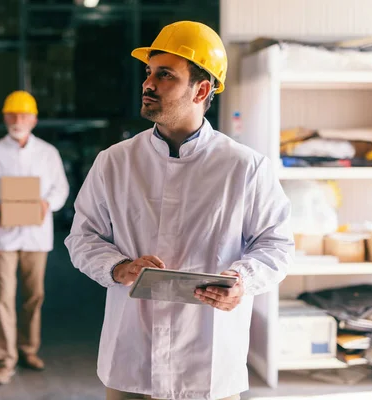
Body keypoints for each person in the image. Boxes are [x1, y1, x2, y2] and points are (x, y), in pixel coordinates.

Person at [65, 21, 294, 400]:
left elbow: (276, 244)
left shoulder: (244, 167)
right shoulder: (115, 162)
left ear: (201, 89)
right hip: (130, 359)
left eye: (165, 75)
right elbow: (82, 236)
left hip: (206, 363)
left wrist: (242, 280)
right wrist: (119, 267)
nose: (148, 84)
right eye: (149, 73)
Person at [0, 90, 70, 385]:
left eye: (23, 115)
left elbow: (61, 189)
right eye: (12, 114)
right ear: (4, 118)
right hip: (3, 236)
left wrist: (46, 204)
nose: (18, 120)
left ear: (34, 119)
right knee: (3, 298)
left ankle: (28, 349)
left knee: (33, 296)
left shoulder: (48, 153)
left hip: (36, 236)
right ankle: (6, 360)